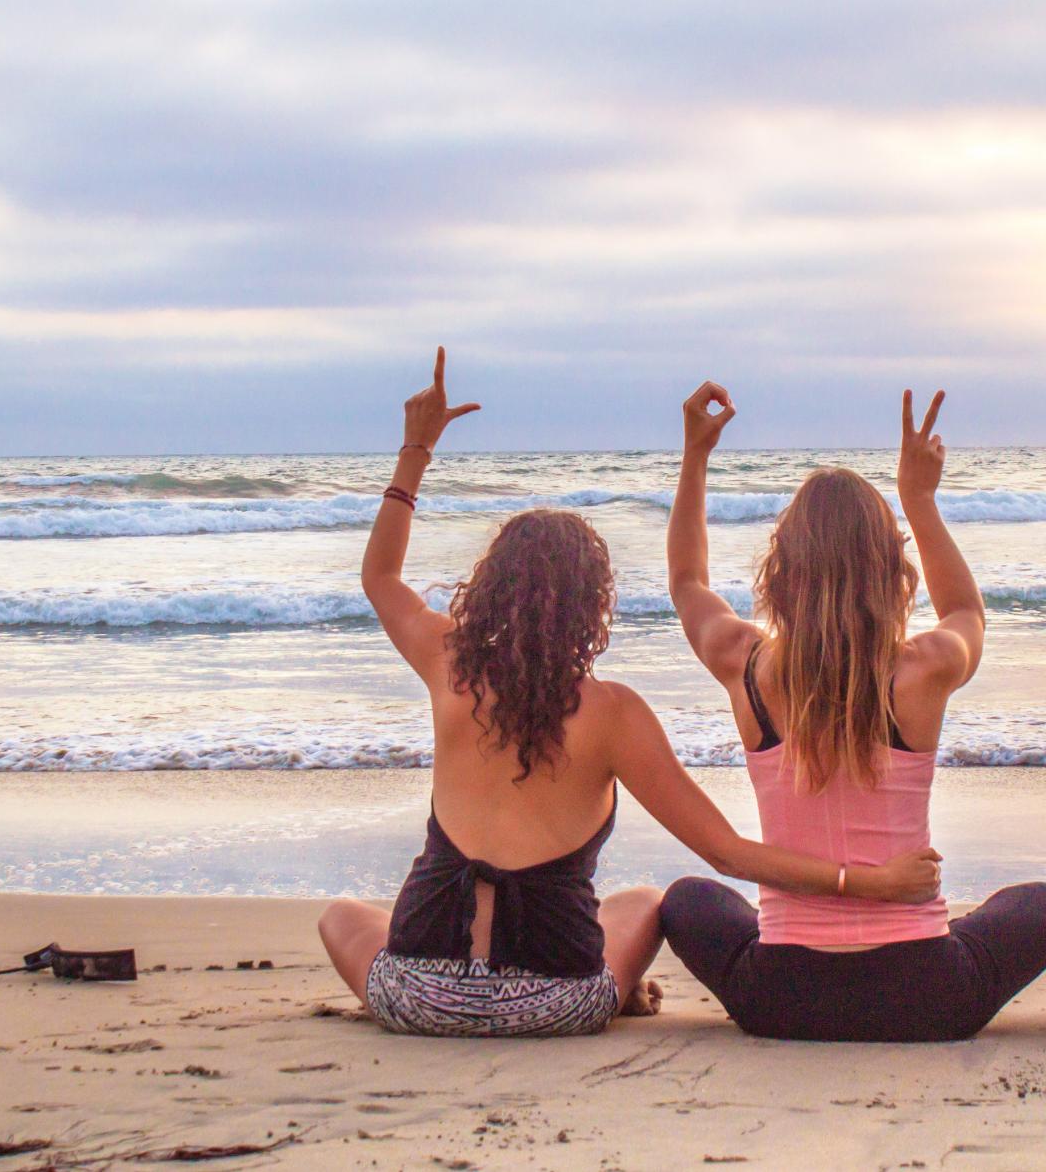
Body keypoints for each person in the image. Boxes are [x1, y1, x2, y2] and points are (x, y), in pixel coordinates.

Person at [317, 349, 944, 1039]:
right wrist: (865, 882)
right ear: (594, 606)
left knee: (340, 916)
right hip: (556, 1005)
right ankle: (618, 991)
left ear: (488, 587)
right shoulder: (615, 714)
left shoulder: (447, 663)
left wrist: (415, 450)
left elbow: (381, 577)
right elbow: (727, 852)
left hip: (417, 996)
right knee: (644, 902)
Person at [656, 380, 1046, 1042]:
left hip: (780, 997)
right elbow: (966, 610)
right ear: (890, 567)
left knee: (686, 900)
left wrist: (695, 456)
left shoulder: (746, 664)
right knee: (1044, 906)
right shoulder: (925, 666)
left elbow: (686, 582)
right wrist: (920, 499)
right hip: (925, 992)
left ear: (782, 569)